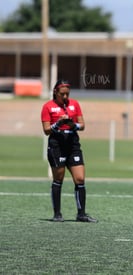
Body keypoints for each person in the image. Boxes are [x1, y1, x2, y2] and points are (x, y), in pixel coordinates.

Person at [41, 79, 97, 223]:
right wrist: (58, 123)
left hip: (72, 144)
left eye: (67, 94)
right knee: (58, 179)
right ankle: (57, 214)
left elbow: (82, 125)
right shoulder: (48, 107)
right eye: (62, 94)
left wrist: (73, 125)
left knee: (80, 179)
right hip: (57, 144)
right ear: (55, 92)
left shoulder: (75, 104)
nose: (65, 97)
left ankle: (81, 214)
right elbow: (46, 130)